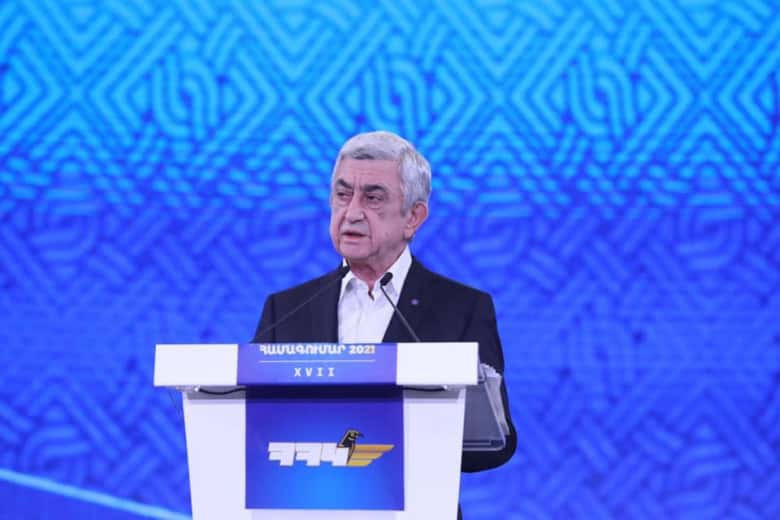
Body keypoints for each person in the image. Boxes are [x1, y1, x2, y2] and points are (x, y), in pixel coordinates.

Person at [252, 131, 516, 514]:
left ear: (413, 217)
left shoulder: (462, 308)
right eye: (343, 195)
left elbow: (497, 442)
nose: (352, 212)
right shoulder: (286, 309)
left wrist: (397, 436)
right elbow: (250, 427)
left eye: (372, 198)